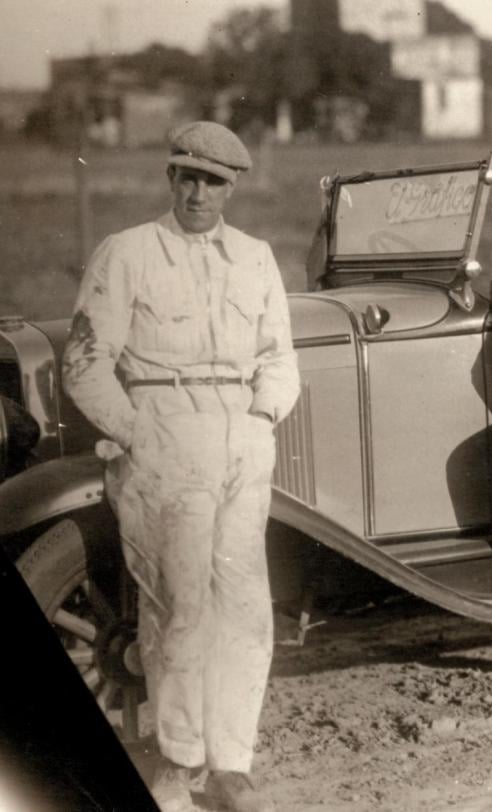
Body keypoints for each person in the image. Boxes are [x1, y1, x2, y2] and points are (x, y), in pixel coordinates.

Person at [62, 121, 299, 812]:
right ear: (170, 179)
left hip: (243, 440)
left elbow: (280, 355)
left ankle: (232, 765)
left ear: (232, 189)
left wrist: (263, 415)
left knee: (246, 608)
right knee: (180, 606)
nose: (199, 193)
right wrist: (136, 431)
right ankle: (178, 759)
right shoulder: (128, 253)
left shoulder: (255, 258)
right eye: (187, 178)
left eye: (214, 182)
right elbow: (85, 361)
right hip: (163, 433)